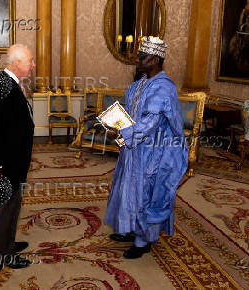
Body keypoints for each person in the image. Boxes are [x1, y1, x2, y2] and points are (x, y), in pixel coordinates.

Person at [104, 36, 188, 259]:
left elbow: (150, 123)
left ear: (155, 59)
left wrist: (121, 132)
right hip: (132, 148)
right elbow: (132, 115)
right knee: (126, 188)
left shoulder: (163, 88)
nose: (138, 61)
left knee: (144, 194)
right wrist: (115, 125)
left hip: (152, 152)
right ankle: (129, 229)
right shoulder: (139, 84)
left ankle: (143, 242)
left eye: (142, 57)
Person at [0, 44, 35, 269]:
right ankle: (3, 253)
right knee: (7, 206)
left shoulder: (12, 82)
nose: (33, 65)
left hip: (16, 159)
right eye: (29, 60)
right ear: (16, 62)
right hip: (6, 162)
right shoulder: (3, 86)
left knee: (14, 204)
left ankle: (7, 242)